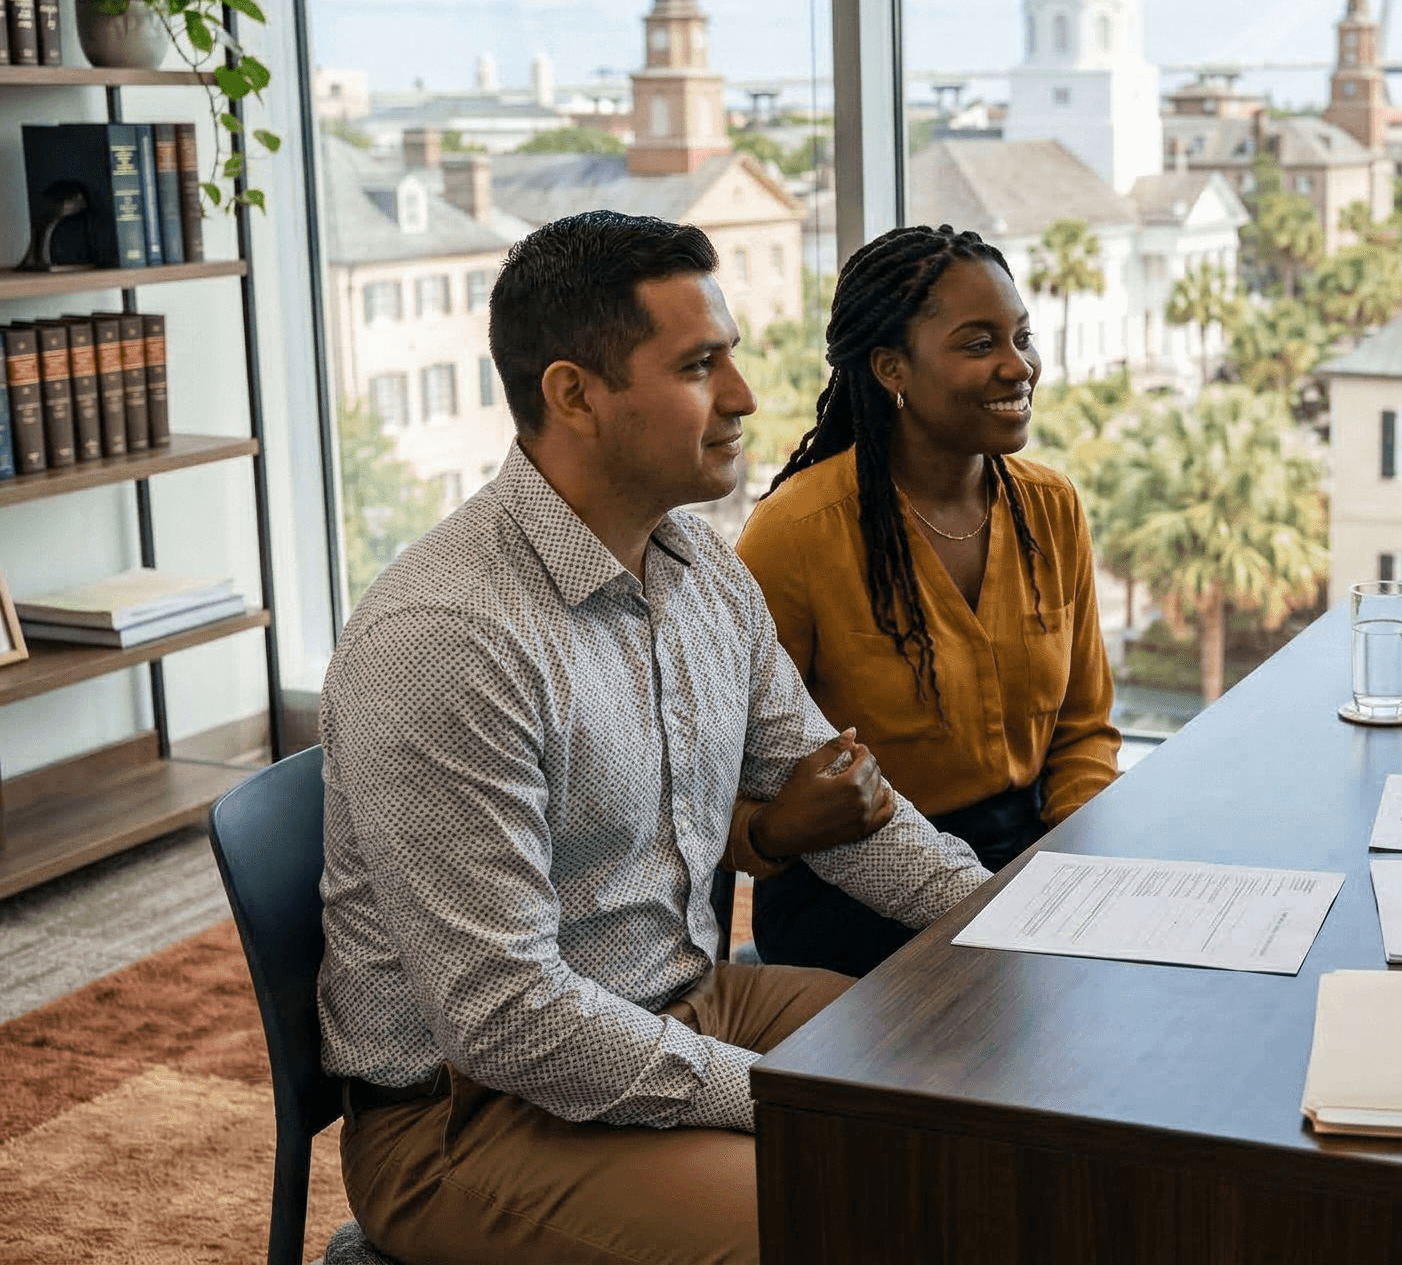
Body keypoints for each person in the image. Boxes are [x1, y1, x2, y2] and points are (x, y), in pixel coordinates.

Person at [318, 212, 993, 1265]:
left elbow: (850, 813)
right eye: (698, 365)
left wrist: (1015, 922)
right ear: (573, 393)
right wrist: (778, 1099)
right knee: (859, 1209)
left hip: (691, 1000)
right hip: (477, 1111)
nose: (742, 396)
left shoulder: (699, 570)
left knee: (994, 1080)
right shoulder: (449, 639)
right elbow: (506, 1017)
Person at [734, 223, 1120, 976]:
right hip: (858, 891)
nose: (1020, 368)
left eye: (1022, 337)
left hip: (1033, 860)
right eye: (979, 345)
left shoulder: (1051, 506)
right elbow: (729, 778)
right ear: (891, 369)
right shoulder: (796, 534)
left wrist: (1074, 872)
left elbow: (1084, 731)